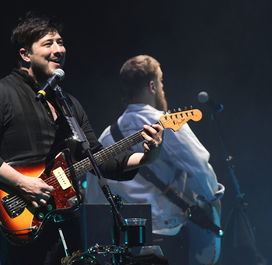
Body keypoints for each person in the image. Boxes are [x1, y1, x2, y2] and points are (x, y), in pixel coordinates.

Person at [0, 13, 164, 265]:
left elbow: (97, 158)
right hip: (23, 218)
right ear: (25, 54)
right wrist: (23, 183)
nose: (58, 49)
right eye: (48, 43)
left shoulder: (68, 103)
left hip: (66, 219)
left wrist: (147, 156)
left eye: (60, 42)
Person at [85, 55, 225, 265]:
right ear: (152, 85)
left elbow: (95, 196)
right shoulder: (168, 123)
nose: (162, 88)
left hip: (127, 243)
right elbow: (200, 167)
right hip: (166, 235)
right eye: (161, 82)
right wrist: (213, 199)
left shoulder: (106, 136)